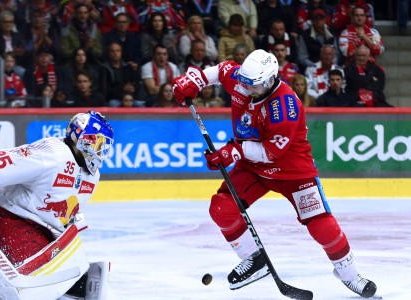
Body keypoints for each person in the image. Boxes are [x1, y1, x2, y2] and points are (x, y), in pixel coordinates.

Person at [171, 49, 377, 298]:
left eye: (253, 85)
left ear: (270, 80)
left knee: (322, 227)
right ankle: (253, 259)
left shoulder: (285, 106)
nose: (246, 87)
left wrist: (233, 152)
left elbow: (270, 153)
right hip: (252, 167)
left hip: (292, 170)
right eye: (244, 82)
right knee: (221, 208)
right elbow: (224, 69)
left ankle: (349, 275)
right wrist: (197, 79)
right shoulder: (246, 78)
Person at [0, 111, 113, 300]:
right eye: (99, 143)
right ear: (83, 139)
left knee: (66, 274)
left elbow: (66, 211)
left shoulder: (93, 176)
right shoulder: (52, 154)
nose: (102, 151)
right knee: (40, 270)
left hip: (39, 228)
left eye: (105, 146)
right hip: (6, 215)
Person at [0, 10, 31, 76]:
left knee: (26, 72)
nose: (8, 24)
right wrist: (11, 53)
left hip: (14, 66)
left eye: (10, 22)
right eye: (5, 22)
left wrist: (21, 54)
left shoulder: (18, 36)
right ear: (0, 23)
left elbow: (26, 51)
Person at [102, 42, 142, 107]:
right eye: (113, 51)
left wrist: (133, 88)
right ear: (109, 53)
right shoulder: (104, 69)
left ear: (121, 52)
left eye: (118, 51)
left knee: (141, 107)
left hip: (130, 98)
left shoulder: (128, 67)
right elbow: (105, 90)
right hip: (114, 99)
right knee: (113, 104)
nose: (115, 53)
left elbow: (137, 83)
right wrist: (123, 88)